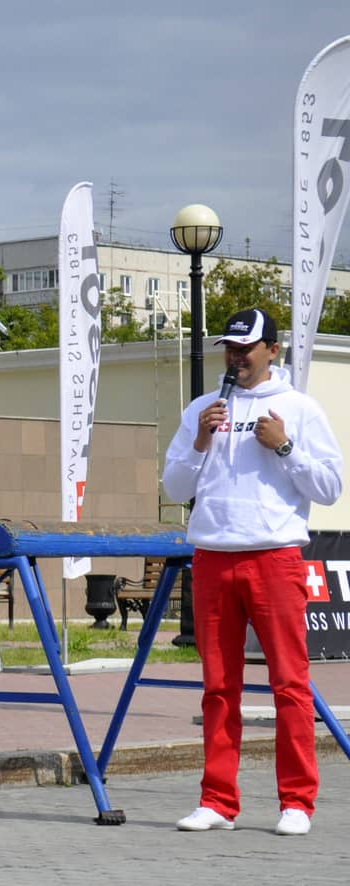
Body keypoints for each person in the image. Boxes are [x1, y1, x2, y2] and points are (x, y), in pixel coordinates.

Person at [163, 308, 343, 836]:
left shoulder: (299, 409)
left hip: (274, 556)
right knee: (218, 686)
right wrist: (199, 440)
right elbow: (174, 489)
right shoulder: (203, 408)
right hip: (213, 556)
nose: (236, 357)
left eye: (246, 348)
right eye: (229, 348)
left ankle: (297, 803)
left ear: (273, 350)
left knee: (290, 683)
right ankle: (217, 801)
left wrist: (284, 447)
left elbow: (330, 487)